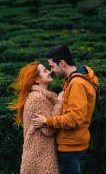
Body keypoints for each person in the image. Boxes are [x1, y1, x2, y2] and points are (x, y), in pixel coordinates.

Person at [31, 44, 99, 174]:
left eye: (52, 66)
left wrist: (47, 121)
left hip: (70, 147)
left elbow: (74, 119)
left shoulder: (77, 83)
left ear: (62, 63)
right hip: (71, 143)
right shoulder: (72, 80)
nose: (51, 70)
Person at [9, 61, 63, 174]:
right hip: (40, 161)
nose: (49, 71)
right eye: (44, 71)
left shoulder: (41, 97)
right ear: (37, 80)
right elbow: (48, 129)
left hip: (40, 156)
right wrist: (60, 102)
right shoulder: (37, 99)